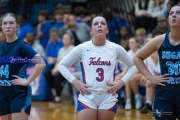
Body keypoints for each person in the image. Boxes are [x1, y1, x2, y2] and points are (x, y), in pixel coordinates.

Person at [58, 16, 137, 120]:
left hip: (108, 97)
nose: (99, 25)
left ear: (107, 29)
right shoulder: (83, 48)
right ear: (91, 30)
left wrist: (122, 81)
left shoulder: (115, 48)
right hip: (87, 96)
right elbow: (61, 65)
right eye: (95, 24)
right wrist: (75, 82)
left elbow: (134, 66)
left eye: (103, 23)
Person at [133, 5, 180, 120]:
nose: (174, 15)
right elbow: (137, 58)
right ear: (168, 19)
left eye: (178, 13)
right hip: (164, 94)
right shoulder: (160, 40)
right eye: (171, 13)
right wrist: (150, 77)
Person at [0, 13, 46, 120]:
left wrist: (27, 81)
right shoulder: (1, 47)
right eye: (5, 23)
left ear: (17, 27)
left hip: (19, 93)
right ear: (1, 26)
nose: (8, 26)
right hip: (2, 93)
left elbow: (41, 63)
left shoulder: (22, 45)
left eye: (11, 23)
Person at [44, 33, 75, 106]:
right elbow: (58, 61)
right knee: (47, 74)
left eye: (67, 38)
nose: (65, 40)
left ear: (70, 40)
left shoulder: (73, 48)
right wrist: (55, 69)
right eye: (64, 38)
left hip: (70, 70)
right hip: (60, 69)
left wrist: (58, 70)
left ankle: (58, 98)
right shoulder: (61, 50)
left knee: (57, 78)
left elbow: (71, 63)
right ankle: (54, 94)